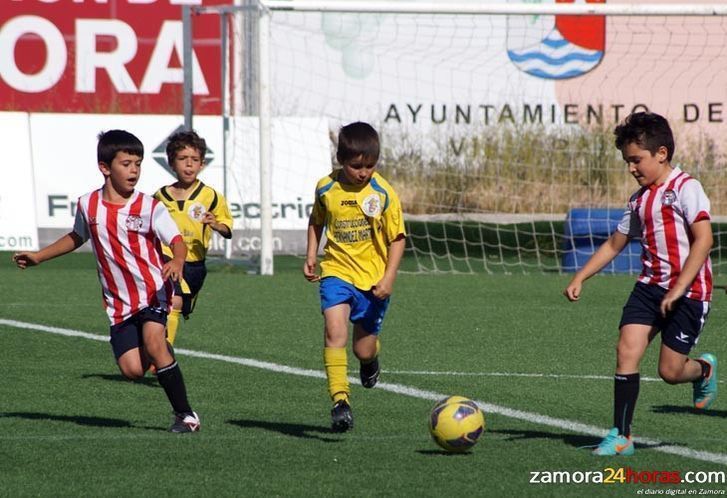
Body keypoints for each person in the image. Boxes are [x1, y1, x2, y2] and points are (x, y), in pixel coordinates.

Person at [13, 130, 201, 433]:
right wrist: (39, 256)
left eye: (138, 164)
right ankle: (163, 354)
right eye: (126, 164)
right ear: (104, 167)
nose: (134, 171)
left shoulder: (149, 207)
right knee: (132, 370)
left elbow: (176, 240)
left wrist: (177, 260)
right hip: (119, 302)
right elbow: (77, 237)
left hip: (154, 291)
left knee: (154, 342)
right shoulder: (88, 205)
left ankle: (185, 415)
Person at [563, 112, 717, 456]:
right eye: (627, 161)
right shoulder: (638, 200)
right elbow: (615, 243)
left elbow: (704, 241)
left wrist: (678, 288)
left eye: (637, 160)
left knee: (670, 371)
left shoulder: (685, 188)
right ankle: (622, 436)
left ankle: (703, 369)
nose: (631, 168)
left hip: (689, 292)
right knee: (626, 350)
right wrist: (581, 276)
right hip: (649, 289)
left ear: (661, 153)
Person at [304, 121, 407, 432]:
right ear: (341, 160)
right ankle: (340, 401)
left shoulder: (383, 192)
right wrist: (312, 254)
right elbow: (316, 219)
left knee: (362, 348)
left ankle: (370, 360)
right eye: (356, 166)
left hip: (373, 282)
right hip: (336, 271)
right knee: (334, 331)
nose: (364, 172)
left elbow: (398, 238)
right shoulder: (326, 188)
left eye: (370, 166)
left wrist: (388, 279)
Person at [154, 130, 233, 345]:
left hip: (195, 264)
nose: (189, 165)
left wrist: (215, 224)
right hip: (167, 259)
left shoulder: (211, 196)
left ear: (202, 164)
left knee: (179, 305)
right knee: (174, 301)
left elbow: (227, 229)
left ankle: (157, 346)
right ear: (171, 162)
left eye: (194, 160)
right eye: (182, 159)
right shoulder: (159, 196)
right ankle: (163, 353)